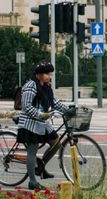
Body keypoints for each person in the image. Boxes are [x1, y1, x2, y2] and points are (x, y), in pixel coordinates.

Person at [17, 61, 69, 190]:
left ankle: (40, 166)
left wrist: (69, 110)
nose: (49, 76)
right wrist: (41, 115)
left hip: (42, 123)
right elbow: (26, 106)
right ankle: (32, 181)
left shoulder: (46, 86)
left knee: (56, 143)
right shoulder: (31, 85)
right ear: (39, 74)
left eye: (50, 74)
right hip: (29, 124)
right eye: (46, 73)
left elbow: (55, 103)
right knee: (32, 151)